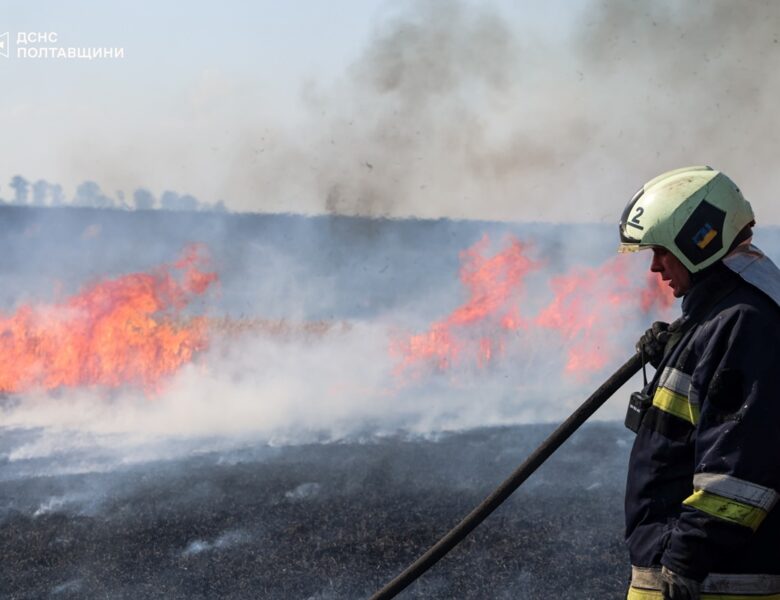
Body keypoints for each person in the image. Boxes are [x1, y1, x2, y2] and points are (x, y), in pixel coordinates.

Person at [617, 166, 780, 600]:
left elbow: (742, 464)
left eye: (661, 251)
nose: (654, 267)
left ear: (697, 242)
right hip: (693, 575)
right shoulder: (719, 318)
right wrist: (678, 348)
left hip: (710, 584)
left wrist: (684, 559)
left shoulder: (745, 324)